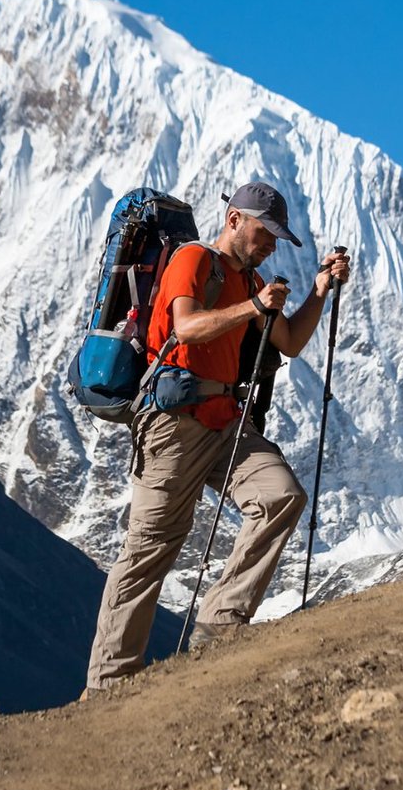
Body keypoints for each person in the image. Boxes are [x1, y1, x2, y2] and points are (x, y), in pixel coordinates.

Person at [85, 181, 351, 692]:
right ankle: (106, 686)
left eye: (276, 238)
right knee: (149, 551)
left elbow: (290, 342)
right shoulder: (193, 260)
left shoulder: (249, 279)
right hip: (172, 423)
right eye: (264, 233)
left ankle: (220, 626)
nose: (270, 245)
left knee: (281, 496)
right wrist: (253, 307)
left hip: (226, 419)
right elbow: (185, 328)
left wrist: (319, 291)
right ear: (234, 221)